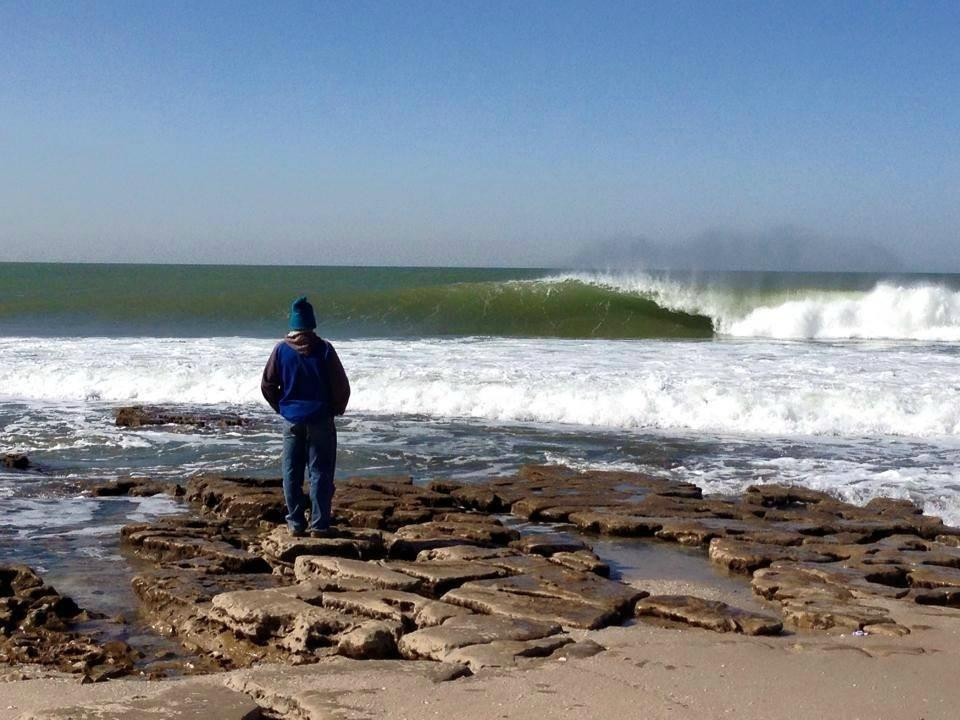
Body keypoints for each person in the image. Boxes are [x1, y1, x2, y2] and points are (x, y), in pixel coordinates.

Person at [261, 296, 350, 537]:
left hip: (292, 420)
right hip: (320, 418)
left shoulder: (280, 350)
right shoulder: (325, 350)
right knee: (320, 472)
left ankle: (295, 523)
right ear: (312, 324)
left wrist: (281, 407)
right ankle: (320, 525)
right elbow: (342, 387)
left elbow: (267, 385)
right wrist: (335, 409)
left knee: (291, 472)